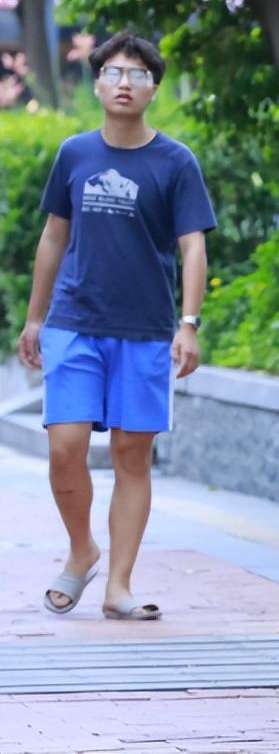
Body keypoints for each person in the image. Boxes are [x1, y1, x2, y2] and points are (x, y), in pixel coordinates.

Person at [16, 30, 215, 621]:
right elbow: (54, 237)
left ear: (153, 88)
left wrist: (189, 323)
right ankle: (82, 549)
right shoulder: (75, 154)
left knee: (132, 455)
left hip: (146, 331)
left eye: (137, 75)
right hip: (74, 323)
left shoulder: (176, 162)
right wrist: (34, 318)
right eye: (113, 72)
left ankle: (118, 586)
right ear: (98, 83)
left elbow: (193, 247)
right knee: (65, 447)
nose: (124, 83)